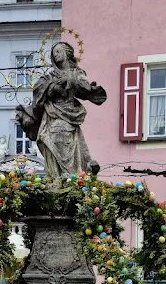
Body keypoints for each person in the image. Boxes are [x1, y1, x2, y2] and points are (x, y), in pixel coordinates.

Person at [16, 42, 106, 184]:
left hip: (68, 115)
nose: (56, 55)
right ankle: (56, 176)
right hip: (51, 115)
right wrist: (52, 87)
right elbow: (39, 86)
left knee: (63, 141)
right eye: (54, 53)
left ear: (66, 53)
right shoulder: (50, 76)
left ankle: (69, 176)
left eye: (58, 51)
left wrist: (69, 79)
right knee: (46, 140)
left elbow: (84, 86)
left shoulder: (76, 73)